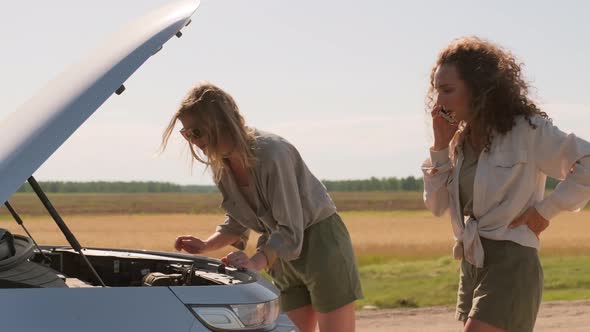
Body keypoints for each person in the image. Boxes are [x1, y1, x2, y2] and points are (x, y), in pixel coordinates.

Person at [161, 82, 362, 332]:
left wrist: (255, 262)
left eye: (197, 132)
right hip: (278, 254)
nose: (192, 141)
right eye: (187, 134)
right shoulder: (221, 165)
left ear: (219, 122)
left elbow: (290, 227)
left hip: (321, 245)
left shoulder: (272, 153)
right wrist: (206, 245)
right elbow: (237, 220)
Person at [422, 36, 590, 332]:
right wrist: (439, 147)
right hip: (473, 262)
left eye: (447, 91)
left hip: (512, 261)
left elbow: (586, 162)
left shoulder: (527, 130)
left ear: (477, 90)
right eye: (437, 92)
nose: (439, 103)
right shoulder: (457, 144)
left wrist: (545, 211)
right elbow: (437, 207)